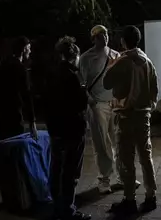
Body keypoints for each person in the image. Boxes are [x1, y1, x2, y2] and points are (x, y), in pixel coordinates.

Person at [104, 26, 159, 215]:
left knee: (125, 159)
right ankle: (151, 196)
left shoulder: (122, 61)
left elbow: (106, 83)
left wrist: (112, 63)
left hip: (125, 115)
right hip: (144, 115)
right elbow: (155, 89)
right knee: (146, 156)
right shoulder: (147, 61)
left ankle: (129, 199)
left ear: (123, 42)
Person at [45, 36, 91, 220]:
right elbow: (80, 104)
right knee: (71, 170)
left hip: (55, 128)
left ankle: (57, 205)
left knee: (56, 167)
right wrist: (84, 91)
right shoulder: (73, 76)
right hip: (72, 128)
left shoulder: (52, 73)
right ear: (74, 55)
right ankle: (68, 209)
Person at [78, 25, 127, 194]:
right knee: (102, 145)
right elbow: (81, 83)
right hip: (97, 104)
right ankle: (104, 179)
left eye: (105, 34)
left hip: (114, 103)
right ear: (93, 38)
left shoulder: (115, 55)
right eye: (100, 35)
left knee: (119, 141)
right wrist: (90, 101)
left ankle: (123, 176)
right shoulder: (86, 58)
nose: (104, 37)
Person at [0, 36, 38, 141]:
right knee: (15, 144)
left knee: (3, 143)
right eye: (29, 48)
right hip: (15, 113)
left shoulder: (4, 65)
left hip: (3, 111)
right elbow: (27, 95)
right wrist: (32, 121)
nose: (30, 51)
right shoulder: (21, 69)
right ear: (24, 49)